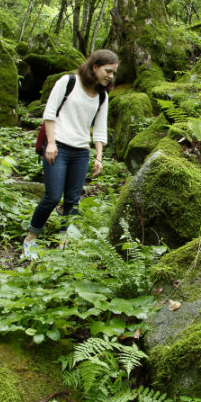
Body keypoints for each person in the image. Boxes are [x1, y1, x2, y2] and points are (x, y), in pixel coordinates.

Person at [22, 49, 118, 259]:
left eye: (113, 73)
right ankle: (30, 238)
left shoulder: (102, 96)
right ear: (94, 67)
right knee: (53, 196)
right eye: (107, 70)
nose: (110, 76)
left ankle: (63, 240)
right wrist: (51, 143)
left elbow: (100, 130)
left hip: (81, 152)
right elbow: (49, 113)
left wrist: (99, 157)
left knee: (73, 201)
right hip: (58, 147)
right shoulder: (68, 82)